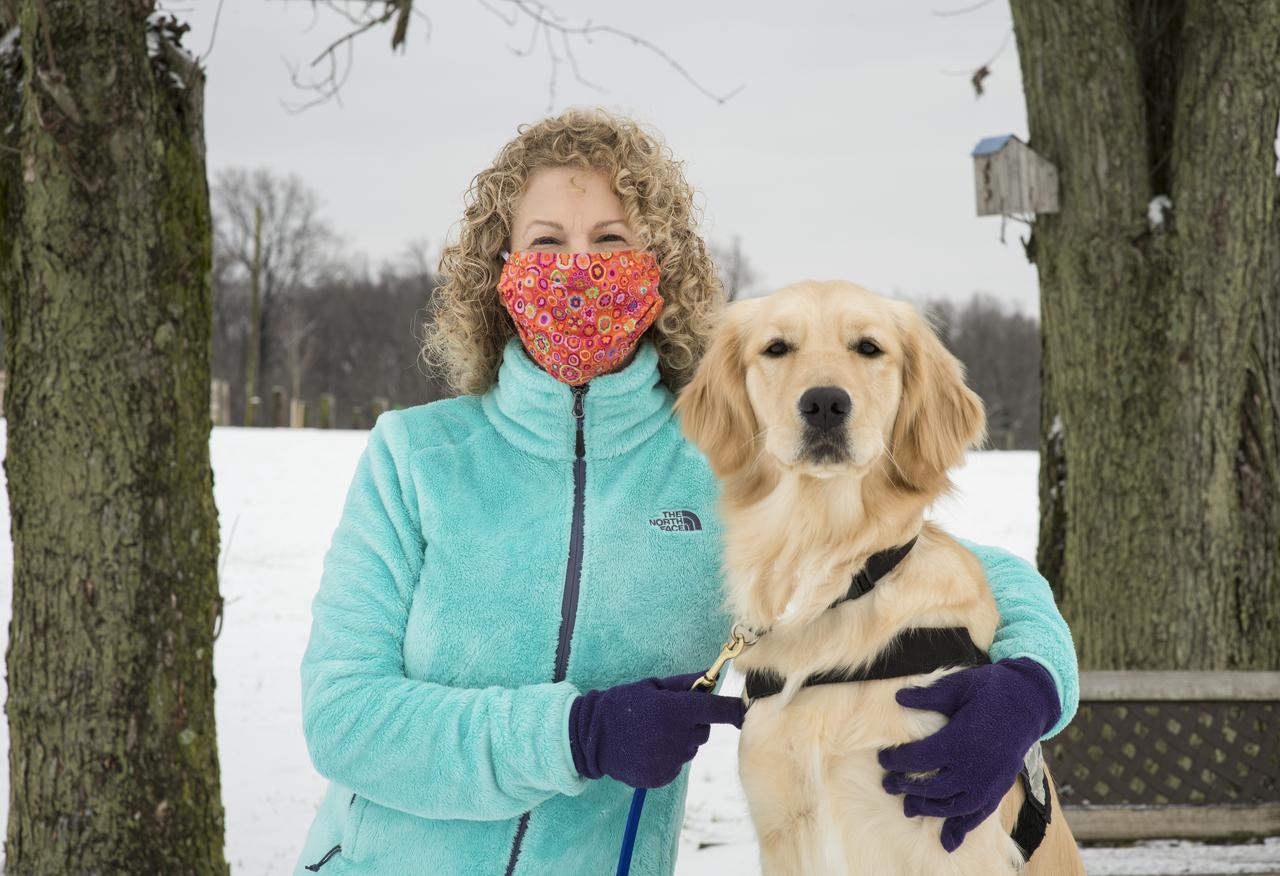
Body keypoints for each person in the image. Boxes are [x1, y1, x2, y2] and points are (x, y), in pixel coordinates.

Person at [292, 107, 1079, 876]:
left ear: (657, 268)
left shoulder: (728, 456)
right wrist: (577, 733)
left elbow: (944, 566)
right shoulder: (417, 456)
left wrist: (1029, 687)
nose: (578, 268)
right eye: (546, 243)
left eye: (609, 241)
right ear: (500, 271)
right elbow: (343, 716)